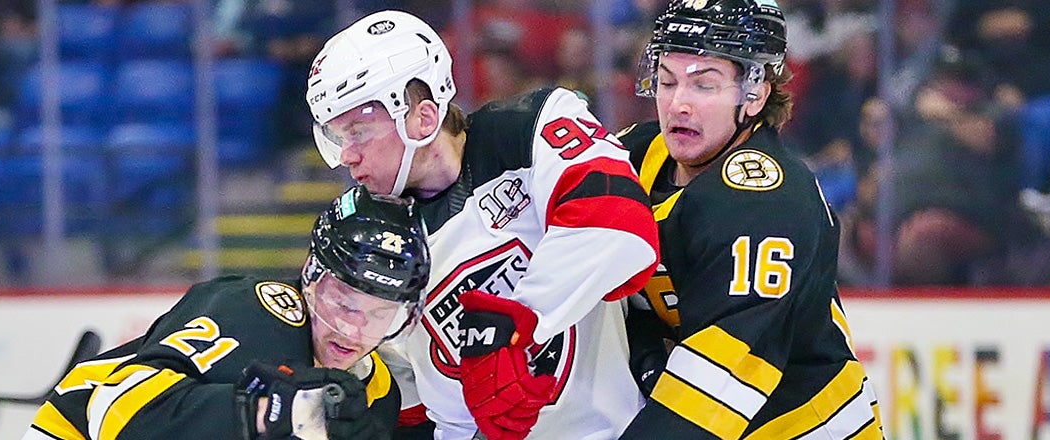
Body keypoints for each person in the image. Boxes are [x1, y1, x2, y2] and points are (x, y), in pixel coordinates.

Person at [305, 10, 660, 440]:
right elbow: (403, 393)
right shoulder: (364, 231)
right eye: (338, 138)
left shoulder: (533, 127)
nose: (347, 156)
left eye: (358, 132)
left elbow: (621, 229)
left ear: (421, 117)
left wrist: (512, 324)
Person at [614, 0, 883, 437]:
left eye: (704, 85)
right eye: (666, 81)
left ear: (754, 93)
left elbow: (714, 388)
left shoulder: (768, 204)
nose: (677, 103)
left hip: (799, 426)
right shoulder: (634, 155)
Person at [23, 185, 430, 440]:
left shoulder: (376, 391)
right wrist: (258, 413)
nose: (353, 330)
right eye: (343, 302)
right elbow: (114, 411)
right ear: (311, 278)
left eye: (380, 315)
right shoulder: (257, 313)